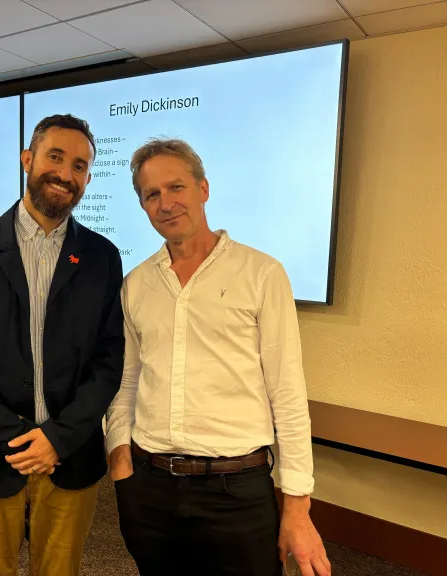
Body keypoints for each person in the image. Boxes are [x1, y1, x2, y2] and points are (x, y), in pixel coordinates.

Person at [105, 138, 331, 576]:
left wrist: (297, 506)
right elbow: (126, 381)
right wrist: (119, 459)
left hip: (236, 491)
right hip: (149, 486)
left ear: (203, 189)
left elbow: (286, 393)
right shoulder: (135, 284)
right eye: (152, 195)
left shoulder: (261, 274)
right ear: (143, 206)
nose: (166, 203)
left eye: (176, 187)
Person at [0, 114, 124, 576]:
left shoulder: (101, 257)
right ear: (27, 159)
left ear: (88, 178)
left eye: (80, 166)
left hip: (69, 456)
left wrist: (57, 438)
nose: (65, 173)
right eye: (55, 157)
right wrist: (18, 438)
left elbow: (108, 361)